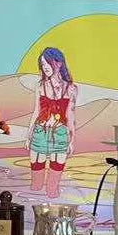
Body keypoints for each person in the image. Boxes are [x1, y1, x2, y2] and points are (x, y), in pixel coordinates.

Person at [25, 47, 77, 200]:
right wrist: (28, 135)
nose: (45, 67)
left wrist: (71, 140)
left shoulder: (71, 89)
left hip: (60, 134)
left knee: (52, 191)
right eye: (42, 64)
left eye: (47, 62)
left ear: (59, 63)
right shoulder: (40, 85)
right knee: (36, 185)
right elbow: (36, 111)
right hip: (40, 132)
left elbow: (70, 116)